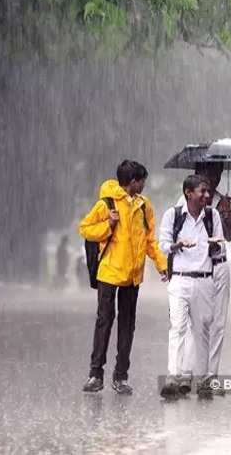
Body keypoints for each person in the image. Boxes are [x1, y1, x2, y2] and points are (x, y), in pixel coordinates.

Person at [79, 160, 168, 395]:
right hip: (108, 273)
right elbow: (86, 229)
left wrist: (162, 264)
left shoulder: (143, 206)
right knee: (104, 322)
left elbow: (150, 240)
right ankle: (95, 374)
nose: (144, 185)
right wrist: (108, 223)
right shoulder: (106, 203)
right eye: (142, 181)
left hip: (132, 276)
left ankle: (121, 376)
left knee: (127, 325)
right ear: (132, 182)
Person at [159, 174, 225, 400]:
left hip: (205, 280)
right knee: (177, 327)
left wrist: (216, 246)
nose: (207, 196)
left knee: (201, 330)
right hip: (179, 280)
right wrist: (179, 244)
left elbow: (219, 250)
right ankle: (173, 378)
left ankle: (203, 380)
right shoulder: (173, 215)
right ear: (188, 193)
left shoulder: (212, 216)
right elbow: (164, 246)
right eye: (202, 191)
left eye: (207, 192)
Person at [175, 162, 231, 394]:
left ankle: (210, 376)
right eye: (209, 173)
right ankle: (187, 373)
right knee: (194, 323)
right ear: (198, 174)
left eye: (218, 173)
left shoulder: (222, 201)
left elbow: (228, 237)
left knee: (217, 323)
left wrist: (227, 216)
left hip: (218, 267)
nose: (213, 179)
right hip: (196, 271)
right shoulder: (183, 205)